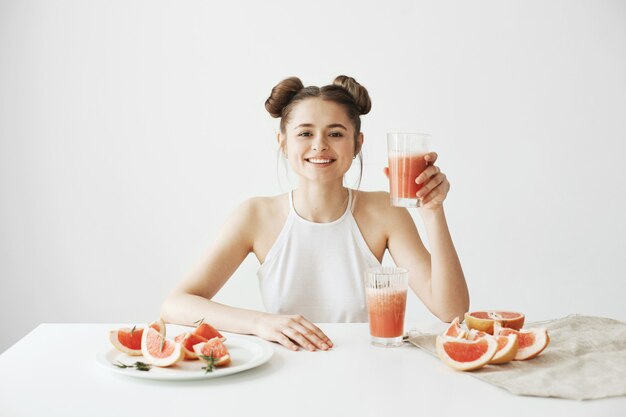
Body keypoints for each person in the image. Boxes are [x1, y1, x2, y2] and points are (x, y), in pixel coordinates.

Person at [161, 75, 469, 352]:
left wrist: (432, 211)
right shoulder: (255, 215)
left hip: (362, 367)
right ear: (283, 143)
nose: (319, 146)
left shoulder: (385, 212)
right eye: (305, 134)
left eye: (335, 134)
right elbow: (176, 305)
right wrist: (261, 323)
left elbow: (451, 310)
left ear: (357, 143)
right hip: (285, 369)